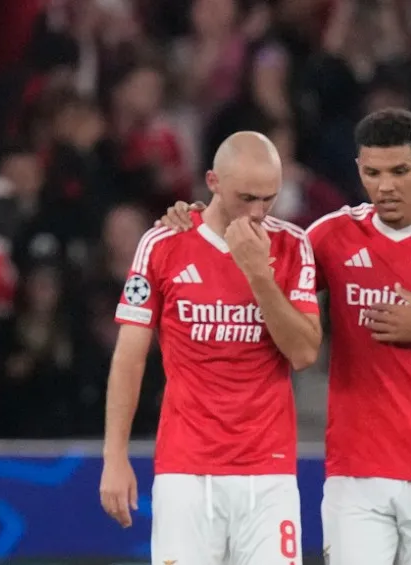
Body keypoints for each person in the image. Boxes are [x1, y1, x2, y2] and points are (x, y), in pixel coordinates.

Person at [157, 108, 411, 565]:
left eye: (399, 171)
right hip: (355, 474)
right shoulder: (330, 237)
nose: (385, 186)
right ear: (358, 169)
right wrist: (204, 217)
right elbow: (255, 258)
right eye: (372, 173)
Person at [99, 131, 322, 565]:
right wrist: (115, 456)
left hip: (268, 470)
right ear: (213, 182)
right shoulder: (163, 243)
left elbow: (303, 353)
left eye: (269, 199)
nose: (258, 212)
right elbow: (129, 357)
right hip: (185, 470)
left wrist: (259, 275)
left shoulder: (292, 245)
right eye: (246, 198)